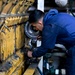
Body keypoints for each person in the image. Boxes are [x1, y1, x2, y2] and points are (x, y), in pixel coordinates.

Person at [27, 9, 75, 75]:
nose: (36, 29)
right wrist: (46, 38)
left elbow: (45, 48)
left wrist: (32, 54)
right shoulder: (53, 17)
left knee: (72, 71)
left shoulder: (49, 26)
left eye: (35, 26)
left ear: (39, 23)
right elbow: (62, 32)